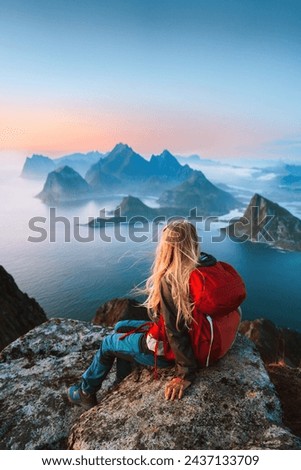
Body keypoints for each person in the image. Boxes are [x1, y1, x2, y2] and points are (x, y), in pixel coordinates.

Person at [67, 220, 241, 408]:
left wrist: (185, 374)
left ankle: (84, 391)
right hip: (206, 342)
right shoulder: (210, 267)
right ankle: (122, 381)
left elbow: (174, 331)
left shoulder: (172, 278)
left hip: (171, 352)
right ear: (193, 242)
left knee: (109, 343)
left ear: (168, 247)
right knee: (119, 326)